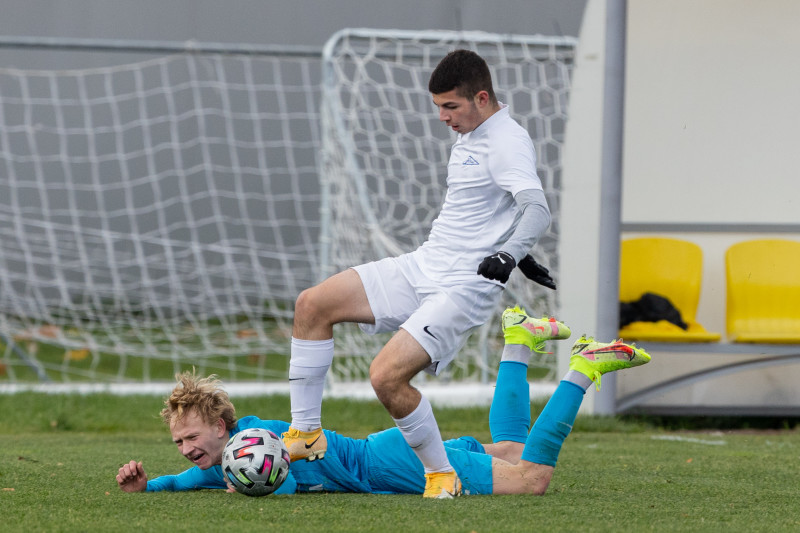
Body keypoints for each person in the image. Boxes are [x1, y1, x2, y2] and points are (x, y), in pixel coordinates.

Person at [283, 48, 555, 498]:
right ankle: (307, 433)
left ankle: (441, 475)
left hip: (462, 288)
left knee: (386, 377)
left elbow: (537, 209)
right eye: (438, 108)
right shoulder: (471, 133)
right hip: (423, 265)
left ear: (482, 98)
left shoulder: (507, 140)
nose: (443, 117)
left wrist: (508, 256)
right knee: (312, 305)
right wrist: (516, 250)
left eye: (451, 106)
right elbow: (488, 208)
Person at [116, 307, 651, 496]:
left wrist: (251, 482)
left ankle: (585, 367)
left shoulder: (260, 439)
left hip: (392, 465)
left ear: (220, 424)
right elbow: (181, 482)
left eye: (190, 437)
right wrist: (148, 486)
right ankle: (520, 340)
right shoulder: (223, 463)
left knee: (533, 478)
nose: (185, 448)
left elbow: (284, 482)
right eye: (178, 442)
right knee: (512, 447)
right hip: (388, 450)